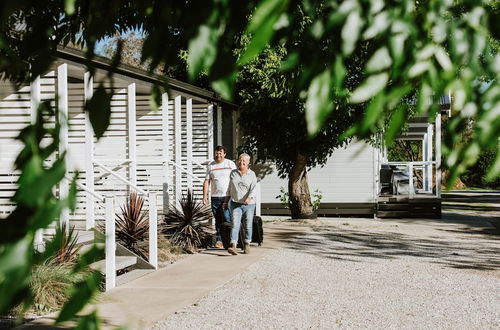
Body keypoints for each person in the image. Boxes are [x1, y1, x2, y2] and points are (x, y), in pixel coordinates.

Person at [223, 153, 257, 255]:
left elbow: (254, 188)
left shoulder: (252, 174)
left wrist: (249, 197)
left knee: (248, 225)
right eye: (240, 160)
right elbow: (230, 188)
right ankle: (233, 245)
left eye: (244, 161)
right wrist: (225, 201)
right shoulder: (233, 173)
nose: (241, 162)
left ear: (248, 163)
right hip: (235, 203)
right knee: (235, 224)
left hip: (249, 204)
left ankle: (247, 243)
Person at [203, 145, 237, 248]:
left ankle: (232, 240)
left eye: (220, 153)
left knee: (227, 218)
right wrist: (205, 196)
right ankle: (219, 240)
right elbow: (207, 181)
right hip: (215, 197)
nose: (218, 155)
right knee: (218, 219)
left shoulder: (230, 164)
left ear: (224, 154)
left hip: (227, 196)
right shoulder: (211, 165)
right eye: (217, 153)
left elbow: (236, 178)